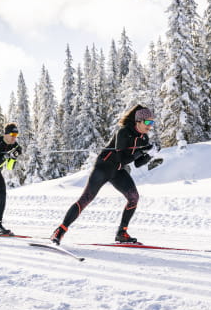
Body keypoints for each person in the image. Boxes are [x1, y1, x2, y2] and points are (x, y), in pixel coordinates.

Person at [51, 105, 158, 245]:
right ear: (139, 120)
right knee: (85, 199)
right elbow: (122, 158)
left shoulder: (144, 139)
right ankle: (60, 231)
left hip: (118, 171)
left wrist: (150, 155)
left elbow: (137, 163)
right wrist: (142, 152)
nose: (150, 126)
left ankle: (122, 233)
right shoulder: (123, 133)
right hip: (104, 167)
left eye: (152, 122)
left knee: (134, 198)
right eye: (148, 122)